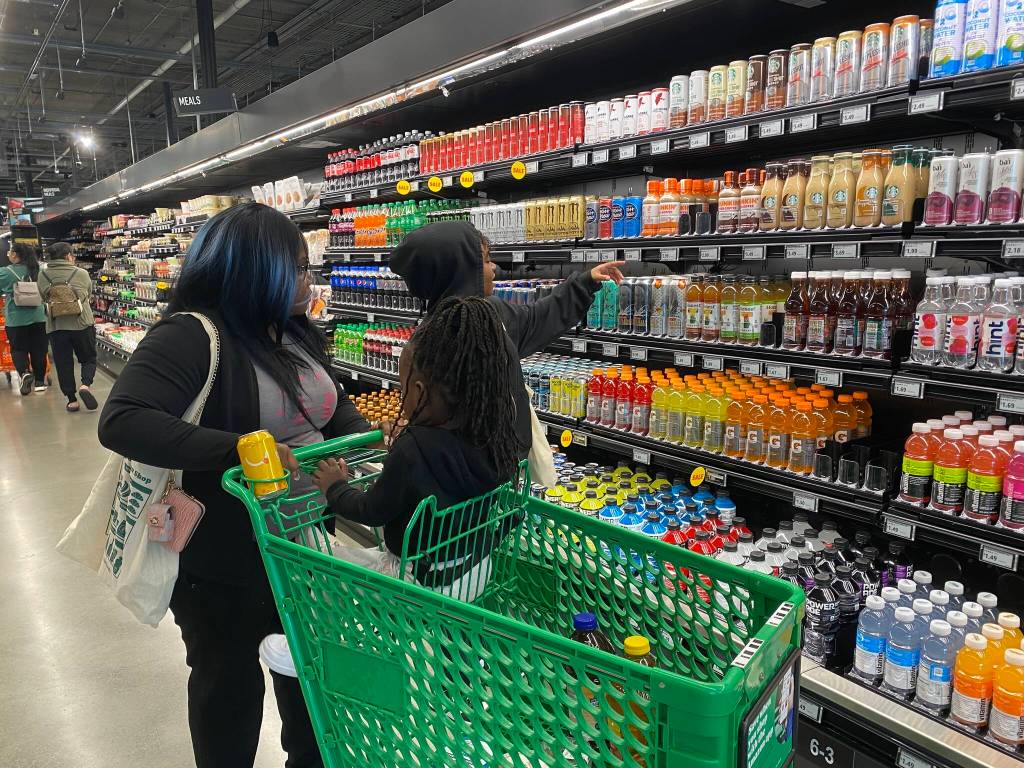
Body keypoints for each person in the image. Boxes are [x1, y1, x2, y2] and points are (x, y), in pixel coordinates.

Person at [98, 203, 374, 768]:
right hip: (224, 558)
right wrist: (241, 449)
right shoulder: (191, 336)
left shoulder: (292, 332)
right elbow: (122, 418)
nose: (308, 279)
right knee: (229, 689)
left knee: (309, 685)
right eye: (296, 267)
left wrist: (367, 441)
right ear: (253, 269)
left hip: (302, 548)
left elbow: (329, 407)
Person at [312, 296, 520, 593]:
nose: (400, 396)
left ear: (420, 390)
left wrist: (336, 487)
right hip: (474, 568)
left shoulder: (412, 451)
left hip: (421, 582)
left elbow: (372, 510)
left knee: (322, 564)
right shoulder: (492, 432)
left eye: (402, 387)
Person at [390, 219, 623, 453]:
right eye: (486, 260)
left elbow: (536, 319)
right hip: (478, 478)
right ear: (459, 269)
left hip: (502, 469)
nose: (494, 268)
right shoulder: (427, 347)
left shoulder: (493, 313)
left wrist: (585, 282)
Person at [39, 242, 98, 411]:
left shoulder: (43, 275)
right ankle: (85, 385)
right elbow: (87, 294)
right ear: (67, 256)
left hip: (57, 326)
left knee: (63, 363)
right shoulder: (81, 273)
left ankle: (72, 400)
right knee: (88, 358)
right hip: (82, 324)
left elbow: (44, 297)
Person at [0, 243, 48, 394]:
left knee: (18, 349)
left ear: (15, 254)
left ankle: (25, 373)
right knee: (39, 350)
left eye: (10, 252)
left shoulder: (5, 272)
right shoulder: (40, 270)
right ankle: (40, 382)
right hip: (39, 317)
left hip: (16, 319)